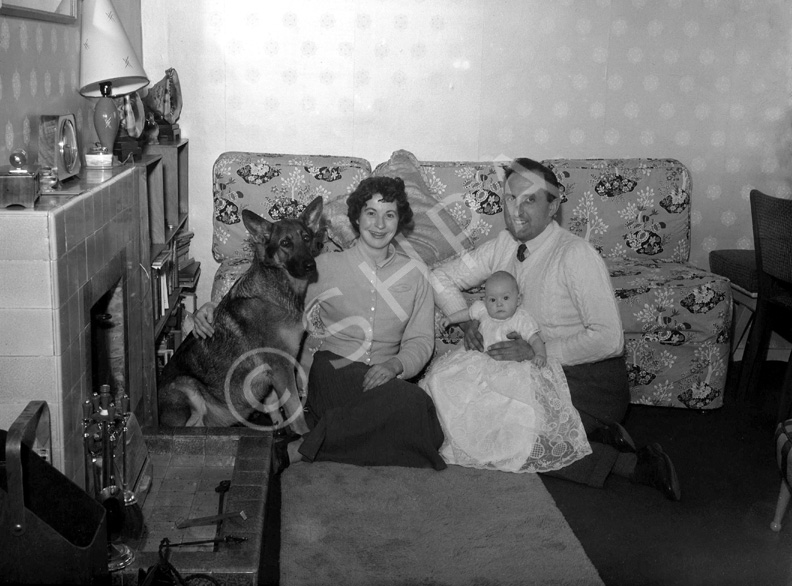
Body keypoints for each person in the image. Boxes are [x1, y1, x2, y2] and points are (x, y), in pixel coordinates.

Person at [431, 157, 681, 500]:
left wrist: (537, 353)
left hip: (588, 381)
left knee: (497, 434)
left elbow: (609, 340)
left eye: (530, 199)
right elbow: (440, 276)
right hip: (524, 373)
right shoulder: (503, 245)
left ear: (554, 205)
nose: (517, 210)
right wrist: (465, 319)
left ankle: (634, 465)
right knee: (448, 405)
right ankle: (598, 435)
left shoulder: (576, 255)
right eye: (510, 199)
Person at [194, 176, 446, 472]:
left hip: (384, 380)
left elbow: (421, 341)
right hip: (333, 373)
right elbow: (265, 301)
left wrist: (396, 366)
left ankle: (303, 444)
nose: (380, 224)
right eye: (371, 213)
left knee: (429, 430)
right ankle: (308, 446)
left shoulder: (416, 273)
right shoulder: (321, 267)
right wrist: (211, 307)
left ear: (400, 219)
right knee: (415, 407)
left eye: (389, 214)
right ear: (355, 217)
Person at [421, 270, 591, 473]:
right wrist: (450, 320)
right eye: (492, 299)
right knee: (444, 381)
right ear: (485, 301)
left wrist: (539, 355)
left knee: (510, 405)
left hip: (508, 368)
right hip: (478, 362)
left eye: (505, 298)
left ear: (518, 300)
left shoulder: (521, 319)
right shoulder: (482, 311)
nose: (498, 304)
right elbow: (466, 314)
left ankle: (503, 446)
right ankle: (453, 435)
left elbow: (535, 339)